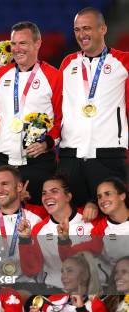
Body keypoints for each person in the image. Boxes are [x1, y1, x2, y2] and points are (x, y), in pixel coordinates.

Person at [0, 22, 61, 209]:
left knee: (38, 222)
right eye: (13, 43)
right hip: (3, 162)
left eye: (23, 43)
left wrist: (47, 143)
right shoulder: (1, 74)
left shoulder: (53, 76)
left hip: (38, 162)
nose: (16, 49)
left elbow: (62, 119)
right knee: (2, 223)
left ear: (37, 43)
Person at [58, 7, 129, 207]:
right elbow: (57, 106)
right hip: (71, 155)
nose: (81, 35)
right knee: (74, 218)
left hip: (108, 154)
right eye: (77, 29)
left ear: (103, 29)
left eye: (87, 28)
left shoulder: (123, 62)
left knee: (113, 216)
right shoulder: (67, 63)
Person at [18, 174, 102, 289]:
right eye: (44, 193)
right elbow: (31, 270)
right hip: (54, 294)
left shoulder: (91, 219)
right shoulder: (39, 229)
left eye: (54, 191)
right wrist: (24, 240)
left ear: (68, 196)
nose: (47, 197)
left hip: (89, 291)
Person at [0, 165, 47, 284]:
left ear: (19, 186)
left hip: (33, 292)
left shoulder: (40, 215)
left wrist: (91, 204)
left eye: (5, 184)